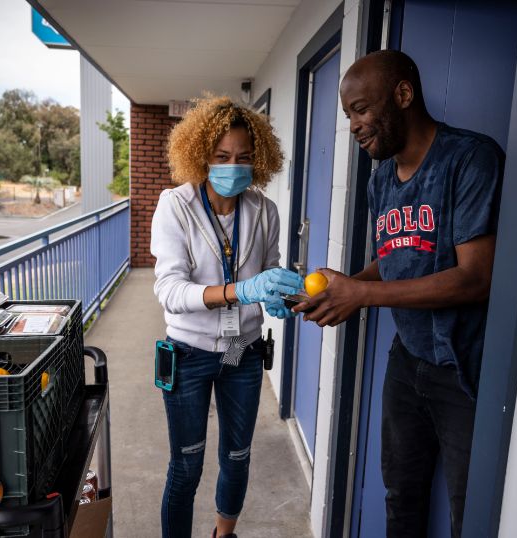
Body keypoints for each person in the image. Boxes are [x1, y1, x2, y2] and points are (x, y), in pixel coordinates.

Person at [294, 50, 504, 538]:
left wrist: (360, 296)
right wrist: (343, 287)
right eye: (348, 115)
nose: (354, 125)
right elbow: (392, 260)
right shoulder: (380, 179)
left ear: (403, 95)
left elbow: (476, 278)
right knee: (401, 495)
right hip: (407, 360)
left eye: (362, 109)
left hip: (463, 369)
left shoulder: (470, 158)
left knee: (466, 511)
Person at [151, 95, 302, 538]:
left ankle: (224, 534)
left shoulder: (264, 211)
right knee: (187, 462)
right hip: (190, 351)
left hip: (240, 348)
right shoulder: (175, 206)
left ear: (259, 161)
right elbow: (170, 290)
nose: (233, 166)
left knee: (237, 455)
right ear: (200, 155)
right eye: (221, 156)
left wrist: (277, 296)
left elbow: (269, 266)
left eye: (243, 157)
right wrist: (243, 290)